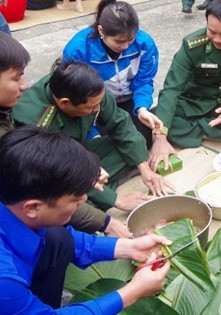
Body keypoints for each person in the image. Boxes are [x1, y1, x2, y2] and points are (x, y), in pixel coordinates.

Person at [0, 126, 171, 313]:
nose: (84, 200)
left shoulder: (14, 208)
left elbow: (72, 240)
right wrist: (132, 292)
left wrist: (129, 247)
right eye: (75, 198)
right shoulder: (4, 281)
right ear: (32, 207)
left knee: (58, 238)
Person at [0, 32, 131, 237]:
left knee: (136, 137)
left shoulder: (84, 86)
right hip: (21, 212)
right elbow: (45, 184)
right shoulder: (31, 120)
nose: (24, 84)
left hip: (73, 159)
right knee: (59, 239)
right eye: (16, 78)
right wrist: (107, 221)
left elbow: (120, 122)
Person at [13, 59, 175, 214]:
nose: (98, 108)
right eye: (91, 107)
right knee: (67, 205)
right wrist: (116, 201)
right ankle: (98, 194)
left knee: (133, 143)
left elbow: (120, 124)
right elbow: (57, 170)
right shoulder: (35, 124)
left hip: (80, 150)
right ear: (65, 103)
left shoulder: (86, 88)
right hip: (52, 171)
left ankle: (99, 189)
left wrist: (145, 169)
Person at [149, 0, 221, 169]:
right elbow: (172, 89)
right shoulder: (192, 45)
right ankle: (210, 134)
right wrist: (160, 138)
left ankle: (194, 132)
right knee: (155, 118)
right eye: (212, 31)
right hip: (194, 101)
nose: (217, 39)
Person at [63, 0, 161, 148]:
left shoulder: (144, 44)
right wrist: (91, 131)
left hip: (130, 100)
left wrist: (142, 108)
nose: (126, 46)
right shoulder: (78, 50)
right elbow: (78, 97)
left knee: (141, 143)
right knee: (99, 146)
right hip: (95, 105)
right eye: (119, 41)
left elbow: (144, 81)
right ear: (101, 31)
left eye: (131, 39)